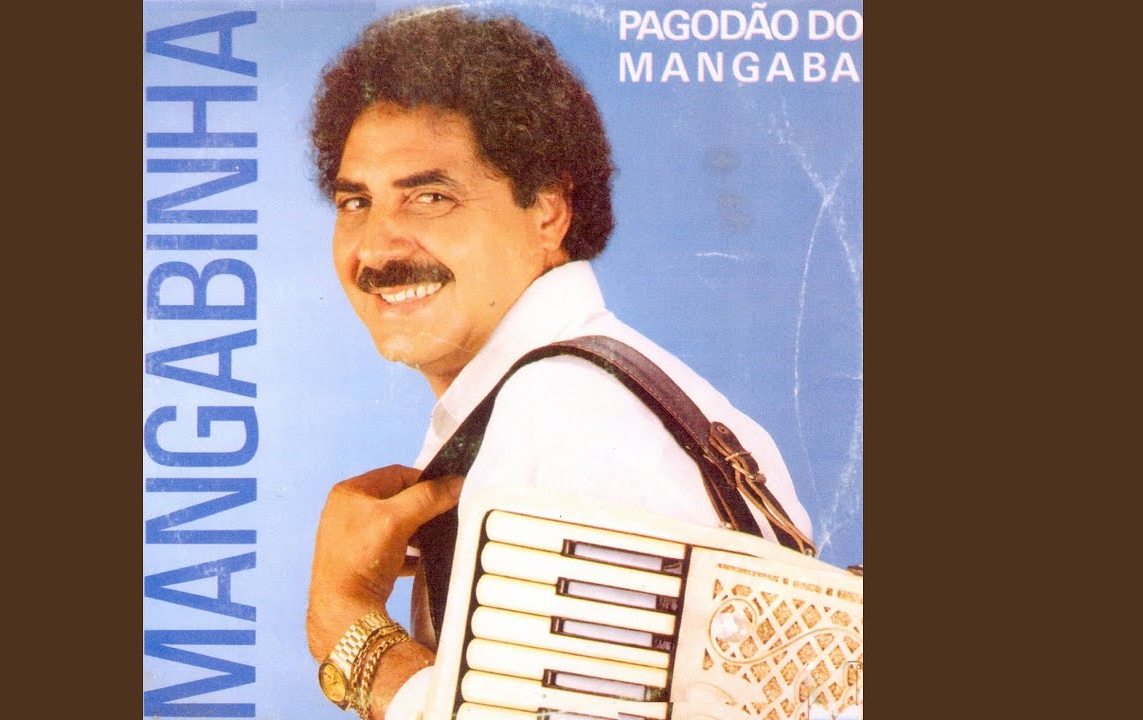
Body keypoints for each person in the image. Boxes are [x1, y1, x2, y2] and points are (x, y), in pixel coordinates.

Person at [304, 8, 812, 720]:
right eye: (355, 201)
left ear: (548, 211)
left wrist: (353, 630)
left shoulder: (563, 417)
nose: (377, 247)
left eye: (430, 197)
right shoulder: (626, 396)